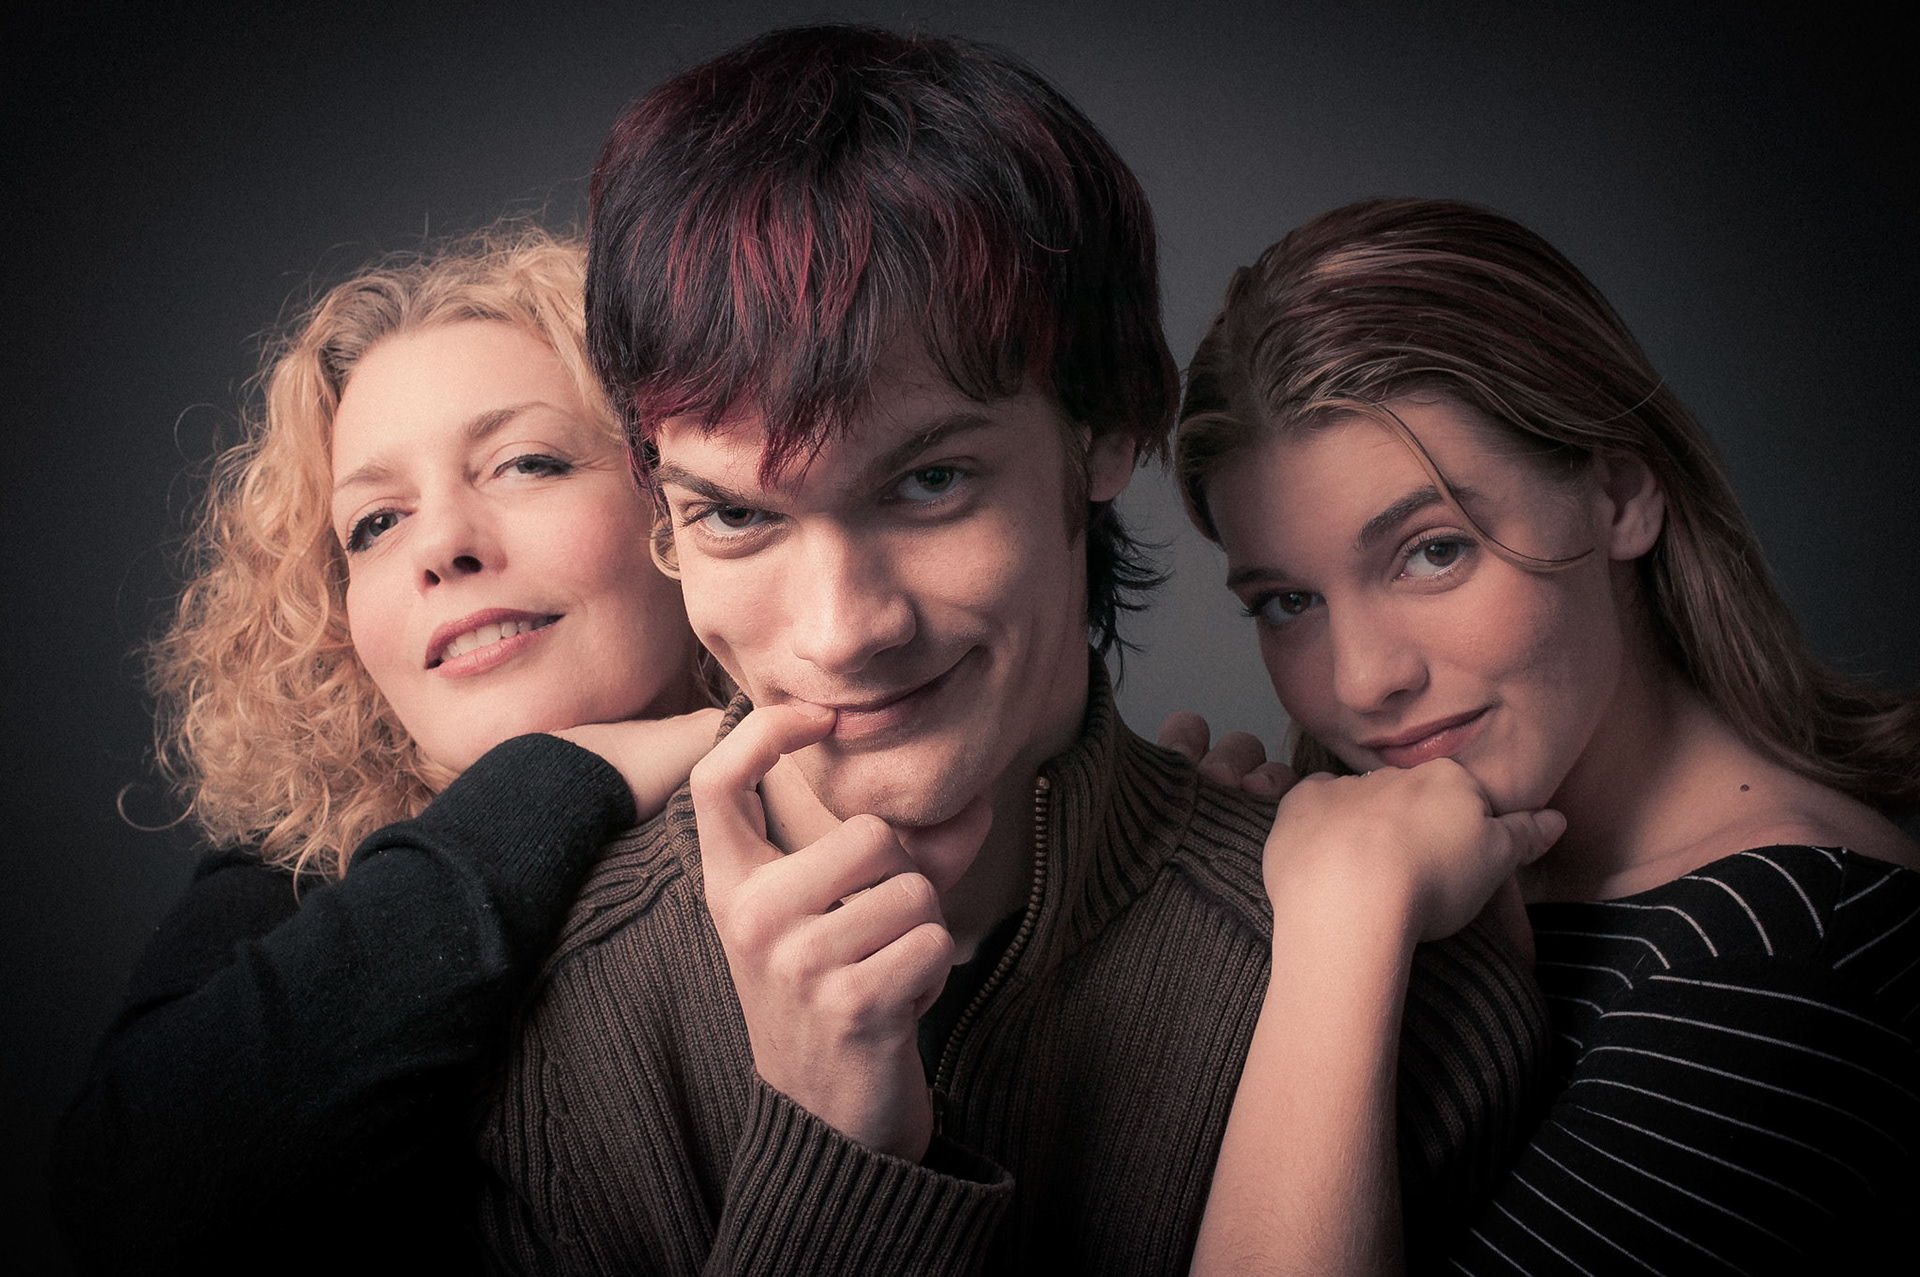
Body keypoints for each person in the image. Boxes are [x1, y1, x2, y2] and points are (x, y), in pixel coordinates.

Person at [475, 29, 1553, 1274]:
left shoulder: (1417, 995)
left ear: (1106, 434)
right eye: (736, 514)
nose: (842, 632)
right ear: (660, 506)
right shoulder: (541, 1020)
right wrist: (831, 1160)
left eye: (929, 481)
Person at [1175, 198, 1920, 1274]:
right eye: (1287, 601)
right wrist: (1201, 962)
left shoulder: (1792, 962)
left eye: (1432, 551)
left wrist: (1337, 935)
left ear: (1619, 494)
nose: (1363, 678)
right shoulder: (1442, 881)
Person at [51, 227, 723, 1274]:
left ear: (686, 503)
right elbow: (125, 1194)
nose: (442, 544)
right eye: (374, 522)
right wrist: (549, 786)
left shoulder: (875, 804)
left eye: (527, 462)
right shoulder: (287, 889)